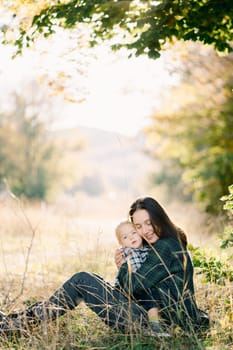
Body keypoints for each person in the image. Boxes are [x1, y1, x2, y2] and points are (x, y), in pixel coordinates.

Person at [0, 197, 209, 337]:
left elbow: (132, 288)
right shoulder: (168, 242)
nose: (145, 230)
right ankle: (16, 321)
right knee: (88, 279)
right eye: (138, 226)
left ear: (159, 218)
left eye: (148, 222)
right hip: (150, 315)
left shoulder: (166, 247)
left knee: (82, 280)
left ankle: (15, 326)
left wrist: (123, 267)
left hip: (156, 324)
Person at [114, 220, 167, 335]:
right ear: (121, 243)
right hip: (128, 287)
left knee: (154, 299)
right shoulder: (125, 252)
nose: (131, 238)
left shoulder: (149, 250)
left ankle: (155, 322)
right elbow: (127, 275)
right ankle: (155, 327)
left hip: (143, 286)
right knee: (151, 301)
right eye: (125, 237)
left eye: (134, 233)